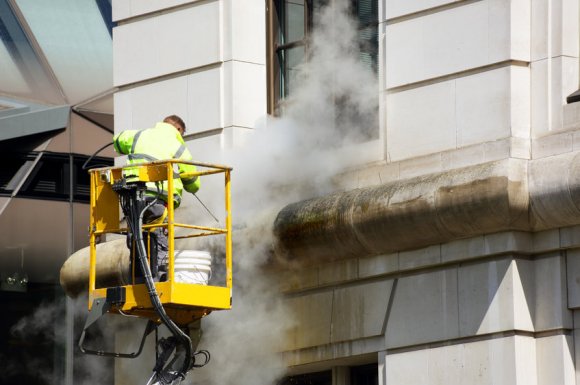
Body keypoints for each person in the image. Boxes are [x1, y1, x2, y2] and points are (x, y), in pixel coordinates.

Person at [113, 115, 200, 280]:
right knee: (157, 237)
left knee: (137, 238)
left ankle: (138, 280)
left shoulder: (139, 135)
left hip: (133, 197)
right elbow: (193, 182)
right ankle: (157, 281)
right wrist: (190, 186)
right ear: (179, 130)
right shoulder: (177, 145)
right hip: (158, 200)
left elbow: (117, 141)